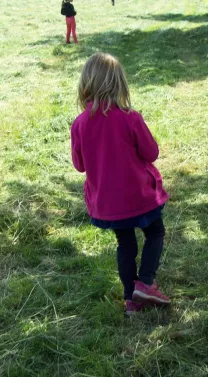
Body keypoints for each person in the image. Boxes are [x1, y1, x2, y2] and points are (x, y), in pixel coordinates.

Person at [71, 52, 170, 316]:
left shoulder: (80, 124)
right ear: (119, 84)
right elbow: (151, 153)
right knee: (155, 233)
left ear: (87, 84)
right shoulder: (130, 117)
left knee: (125, 245)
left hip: (108, 202)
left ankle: (131, 301)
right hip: (139, 196)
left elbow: (79, 165)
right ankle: (146, 282)